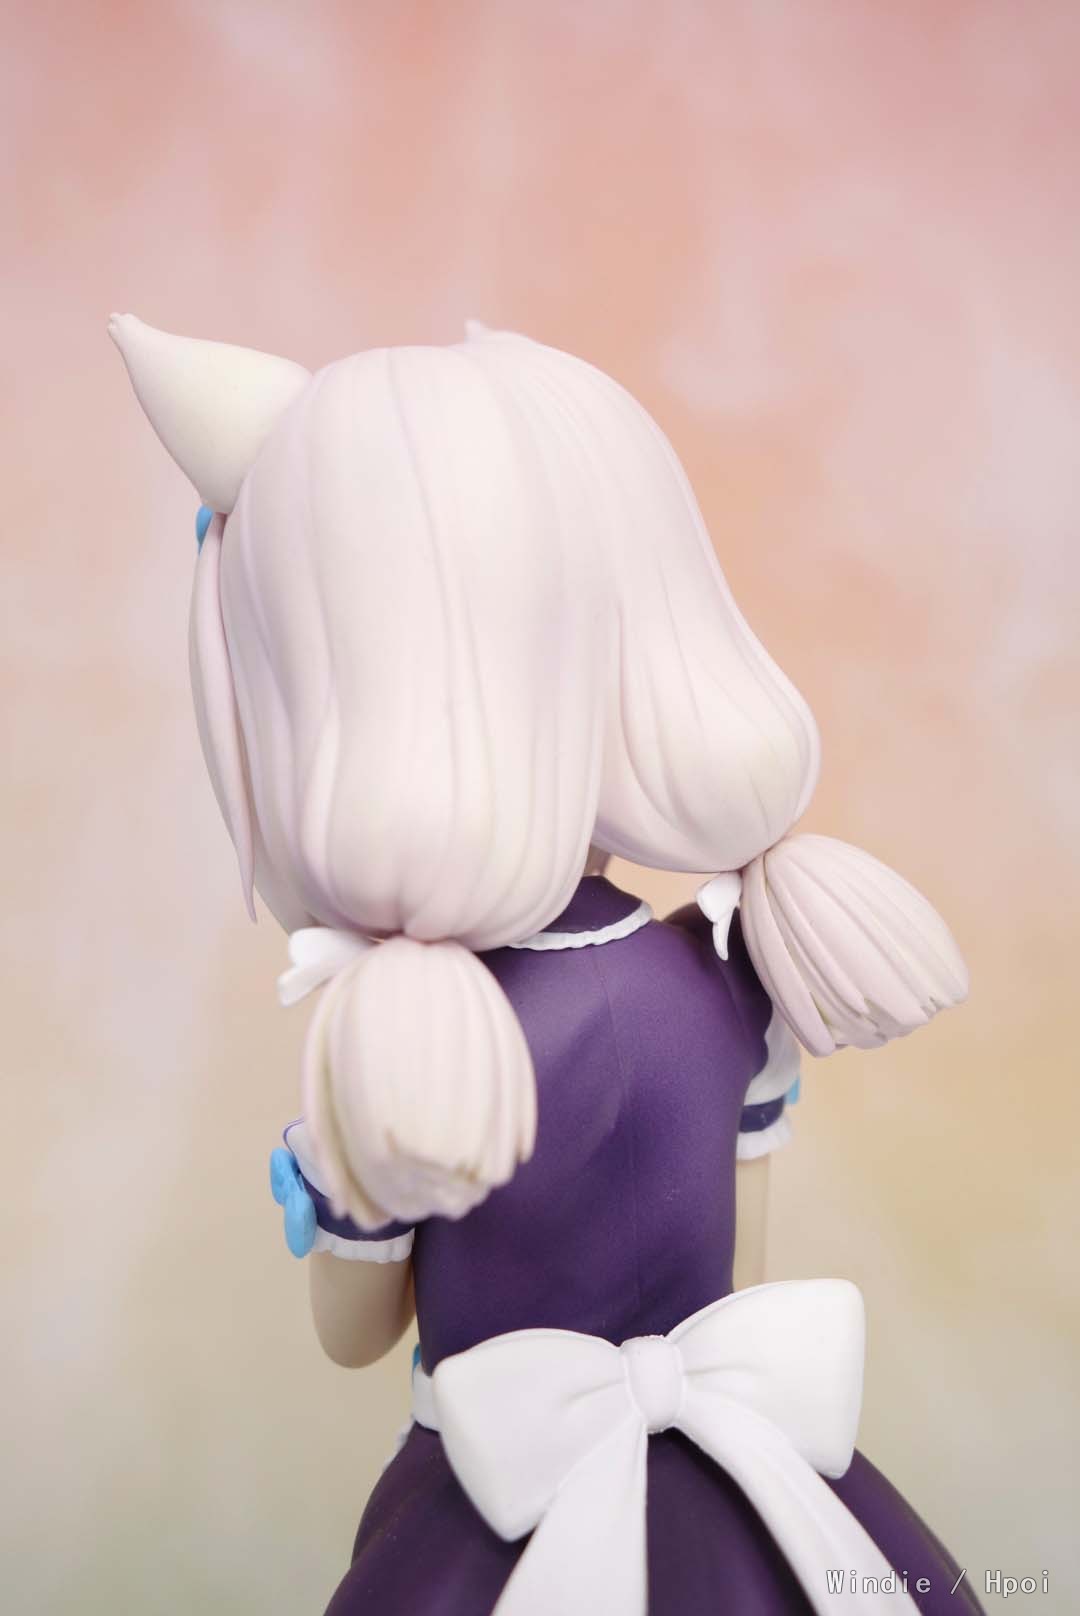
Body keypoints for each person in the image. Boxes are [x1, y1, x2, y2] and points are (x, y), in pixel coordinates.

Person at [111, 313, 980, 1615]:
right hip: (752, 1485)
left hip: (492, 1518)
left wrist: (324, 1186)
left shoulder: (408, 1036)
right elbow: (736, 1280)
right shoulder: (726, 975)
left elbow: (355, 1339)